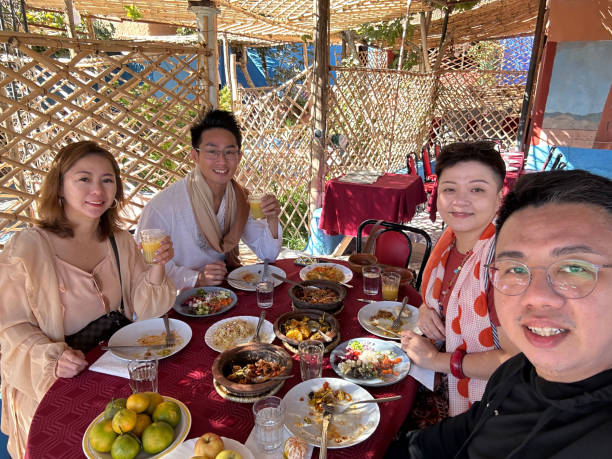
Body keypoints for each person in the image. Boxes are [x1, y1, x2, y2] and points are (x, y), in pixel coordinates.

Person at [400, 169, 612, 458]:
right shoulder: (519, 372)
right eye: (515, 269)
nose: (536, 296)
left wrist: (437, 360)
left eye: (575, 267)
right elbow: (458, 435)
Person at [0, 141, 177, 459]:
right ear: (60, 186)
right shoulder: (27, 248)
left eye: (107, 180)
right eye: (84, 178)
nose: (97, 189)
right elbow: (9, 325)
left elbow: (148, 308)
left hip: (114, 376)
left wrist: (157, 266)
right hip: (55, 383)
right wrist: (52, 357)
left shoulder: (119, 241)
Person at [401, 141, 518, 417]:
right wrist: (425, 310)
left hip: (486, 409)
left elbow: (515, 361)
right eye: (449, 189)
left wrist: (436, 360)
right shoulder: (449, 242)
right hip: (437, 385)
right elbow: (444, 299)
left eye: (477, 189)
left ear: (500, 196)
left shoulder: (502, 265)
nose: (459, 201)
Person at [136, 109, 282, 290]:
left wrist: (272, 218)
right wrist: (196, 278)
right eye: (212, 152)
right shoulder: (163, 206)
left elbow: (268, 254)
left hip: (221, 294)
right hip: (175, 300)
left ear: (239, 157)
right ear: (195, 155)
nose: (222, 161)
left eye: (229, 152)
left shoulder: (239, 199)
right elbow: (146, 264)